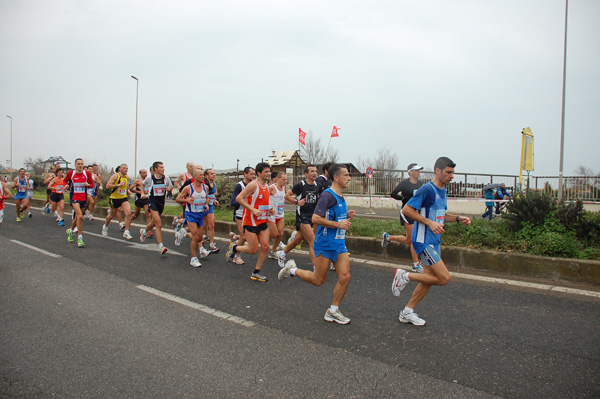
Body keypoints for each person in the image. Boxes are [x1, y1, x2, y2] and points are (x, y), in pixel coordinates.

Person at [391, 157, 471, 326]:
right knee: (444, 278)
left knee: (428, 279)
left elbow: (441, 216)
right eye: (448, 172)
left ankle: (407, 312)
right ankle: (405, 276)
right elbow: (407, 210)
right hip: (423, 241)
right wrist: (429, 223)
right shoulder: (427, 189)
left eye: (452, 173)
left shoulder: (442, 191)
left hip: (434, 241)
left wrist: (457, 218)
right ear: (438, 171)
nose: (451, 176)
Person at [278, 164, 357, 324]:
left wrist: (346, 216)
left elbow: (334, 216)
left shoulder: (341, 197)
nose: (349, 178)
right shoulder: (327, 195)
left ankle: (333, 311)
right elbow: (316, 218)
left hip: (339, 244)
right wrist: (338, 225)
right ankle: (292, 270)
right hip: (325, 244)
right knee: (318, 280)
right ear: (336, 177)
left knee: (345, 276)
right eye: (346, 175)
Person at [226, 162, 273, 282]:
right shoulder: (253, 185)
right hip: (250, 221)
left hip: (262, 220)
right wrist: (252, 209)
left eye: (269, 171)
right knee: (253, 250)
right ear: (259, 173)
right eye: (266, 171)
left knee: (265, 246)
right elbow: (239, 198)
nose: (268, 174)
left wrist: (270, 210)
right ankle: (235, 248)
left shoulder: (267, 186)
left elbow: (263, 203)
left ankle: (256, 271)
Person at [276, 164, 323, 268]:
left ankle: (282, 254)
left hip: (313, 217)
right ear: (306, 174)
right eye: (312, 171)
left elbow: (319, 199)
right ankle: (316, 268)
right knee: (313, 241)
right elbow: (287, 196)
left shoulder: (318, 186)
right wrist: (297, 202)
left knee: (297, 240)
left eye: (315, 171)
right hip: (302, 217)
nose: (315, 173)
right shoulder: (300, 185)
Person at [382, 163, 425, 273]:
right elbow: (393, 193)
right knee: (414, 239)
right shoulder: (405, 184)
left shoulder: (421, 184)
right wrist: (403, 198)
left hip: (417, 213)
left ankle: (388, 237)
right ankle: (416, 265)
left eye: (420, 170)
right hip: (406, 212)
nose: (419, 172)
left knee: (409, 240)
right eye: (417, 170)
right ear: (410, 172)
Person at [176, 164, 210, 267]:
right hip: (190, 214)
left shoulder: (206, 187)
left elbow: (207, 198)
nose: (202, 176)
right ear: (194, 177)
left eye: (203, 175)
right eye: (200, 175)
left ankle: (183, 232)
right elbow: (178, 199)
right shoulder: (188, 188)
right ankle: (194, 258)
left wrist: (206, 204)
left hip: (200, 214)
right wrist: (187, 200)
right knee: (195, 236)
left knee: (199, 238)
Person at [140, 161, 173, 254]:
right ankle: (161, 246)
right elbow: (142, 184)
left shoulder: (166, 178)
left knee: (154, 223)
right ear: (155, 169)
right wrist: (142, 193)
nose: (163, 169)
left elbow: (170, 188)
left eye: (163, 167)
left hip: (161, 203)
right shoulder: (150, 178)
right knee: (158, 223)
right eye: (161, 167)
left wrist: (169, 189)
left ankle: (145, 231)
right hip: (152, 202)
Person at [64, 158, 94, 247]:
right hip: (74, 198)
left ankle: (70, 230)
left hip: (83, 198)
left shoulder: (86, 174)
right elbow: (65, 180)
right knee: (80, 216)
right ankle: (80, 238)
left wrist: (88, 185)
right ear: (75, 165)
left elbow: (91, 184)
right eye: (78, 164)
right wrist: (65, 185)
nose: (80, 165)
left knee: (77, 217)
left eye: (81, 164)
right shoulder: (71, 173)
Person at [229, 166, 256, 265]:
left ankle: (235, 237)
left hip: (250, 215)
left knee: (249, 236)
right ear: (245, 174)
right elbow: (233, 202)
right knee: (244, 237)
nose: (253, 176)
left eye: (254, 174)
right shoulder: (239, 186)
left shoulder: (255, 185)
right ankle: (236, 255)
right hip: (240, 215)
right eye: (251, 174)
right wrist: (243, 200)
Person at [102, 163, 133, 240]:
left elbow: (126, 186)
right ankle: (105, 226)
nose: (126, 169)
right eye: (124, 168)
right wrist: (118, 185)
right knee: (111, 215)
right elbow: (107, 186)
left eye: (127, 168)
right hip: (114, 198)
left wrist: (128, 190)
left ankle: (126, 232)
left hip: (123, 198)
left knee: (128, 213)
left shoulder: (127, 178)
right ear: (120, 169)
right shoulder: (115, 176)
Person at [267, 171, 288, 259]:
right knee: (274, 234)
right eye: (283, 179)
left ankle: (272, 251)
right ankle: (261, 236)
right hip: (272, 215)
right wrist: (269, 208)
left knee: (280, 234)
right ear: (278, 179)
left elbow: (285, 198)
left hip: (280, 214)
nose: (285, 181)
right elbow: (264, 198)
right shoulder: (271, 188)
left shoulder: (284, 187)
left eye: (286, 179)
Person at [203, 168, 220, 253]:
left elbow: (212, 194)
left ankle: (211, 244)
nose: (214, 175)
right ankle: (181, 224)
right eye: (211, 174)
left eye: (214, 173)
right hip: (201, 207)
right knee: (199, 225)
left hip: (210, 207)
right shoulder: (203, 184)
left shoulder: (214, 184)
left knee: (211, 224)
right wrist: (205, 200)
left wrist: (214, 200)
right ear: (206, 176)